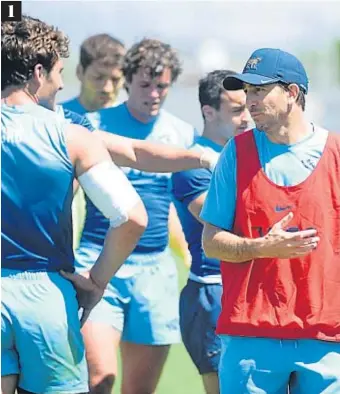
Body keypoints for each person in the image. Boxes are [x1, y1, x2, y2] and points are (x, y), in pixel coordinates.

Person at [1, 16, 148, 394]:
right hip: (47, 298)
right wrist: (97, 282)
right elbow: (131, 217)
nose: (63, 83)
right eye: (58, 71)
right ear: (37, 73)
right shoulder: (72, 137)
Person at [201, 48, 340, 394]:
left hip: (326, 337)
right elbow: (212, 241)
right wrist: (263, 248)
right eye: (247, 92)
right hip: (251, 334)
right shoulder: (235, 153)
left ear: (292, 93)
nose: (250, 100)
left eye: (260, 90)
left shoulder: (336, 155)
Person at [71, 38, 198, 394]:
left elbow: (175, 203)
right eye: (145, 85)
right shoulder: (94, 125)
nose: (154, 93)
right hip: (98, 261)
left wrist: (187, 251)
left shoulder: (182, 133)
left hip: (155, 271)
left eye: (162, 86)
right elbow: (67, 194)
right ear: (127, 81)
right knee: (99, 381)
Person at [172, 69, 251, 394]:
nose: (247, 118)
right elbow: (230, 223)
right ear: (209, 111)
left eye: (248, 107)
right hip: (213, 291)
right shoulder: (191, 165)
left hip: (250, 288)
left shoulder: (248, 155)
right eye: (236, 110)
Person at [62, 33, 126, 113]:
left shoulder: (136, 121)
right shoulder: (58, 118)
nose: (107, 89)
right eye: (98, 78)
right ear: (79, 72)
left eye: (115, 80)